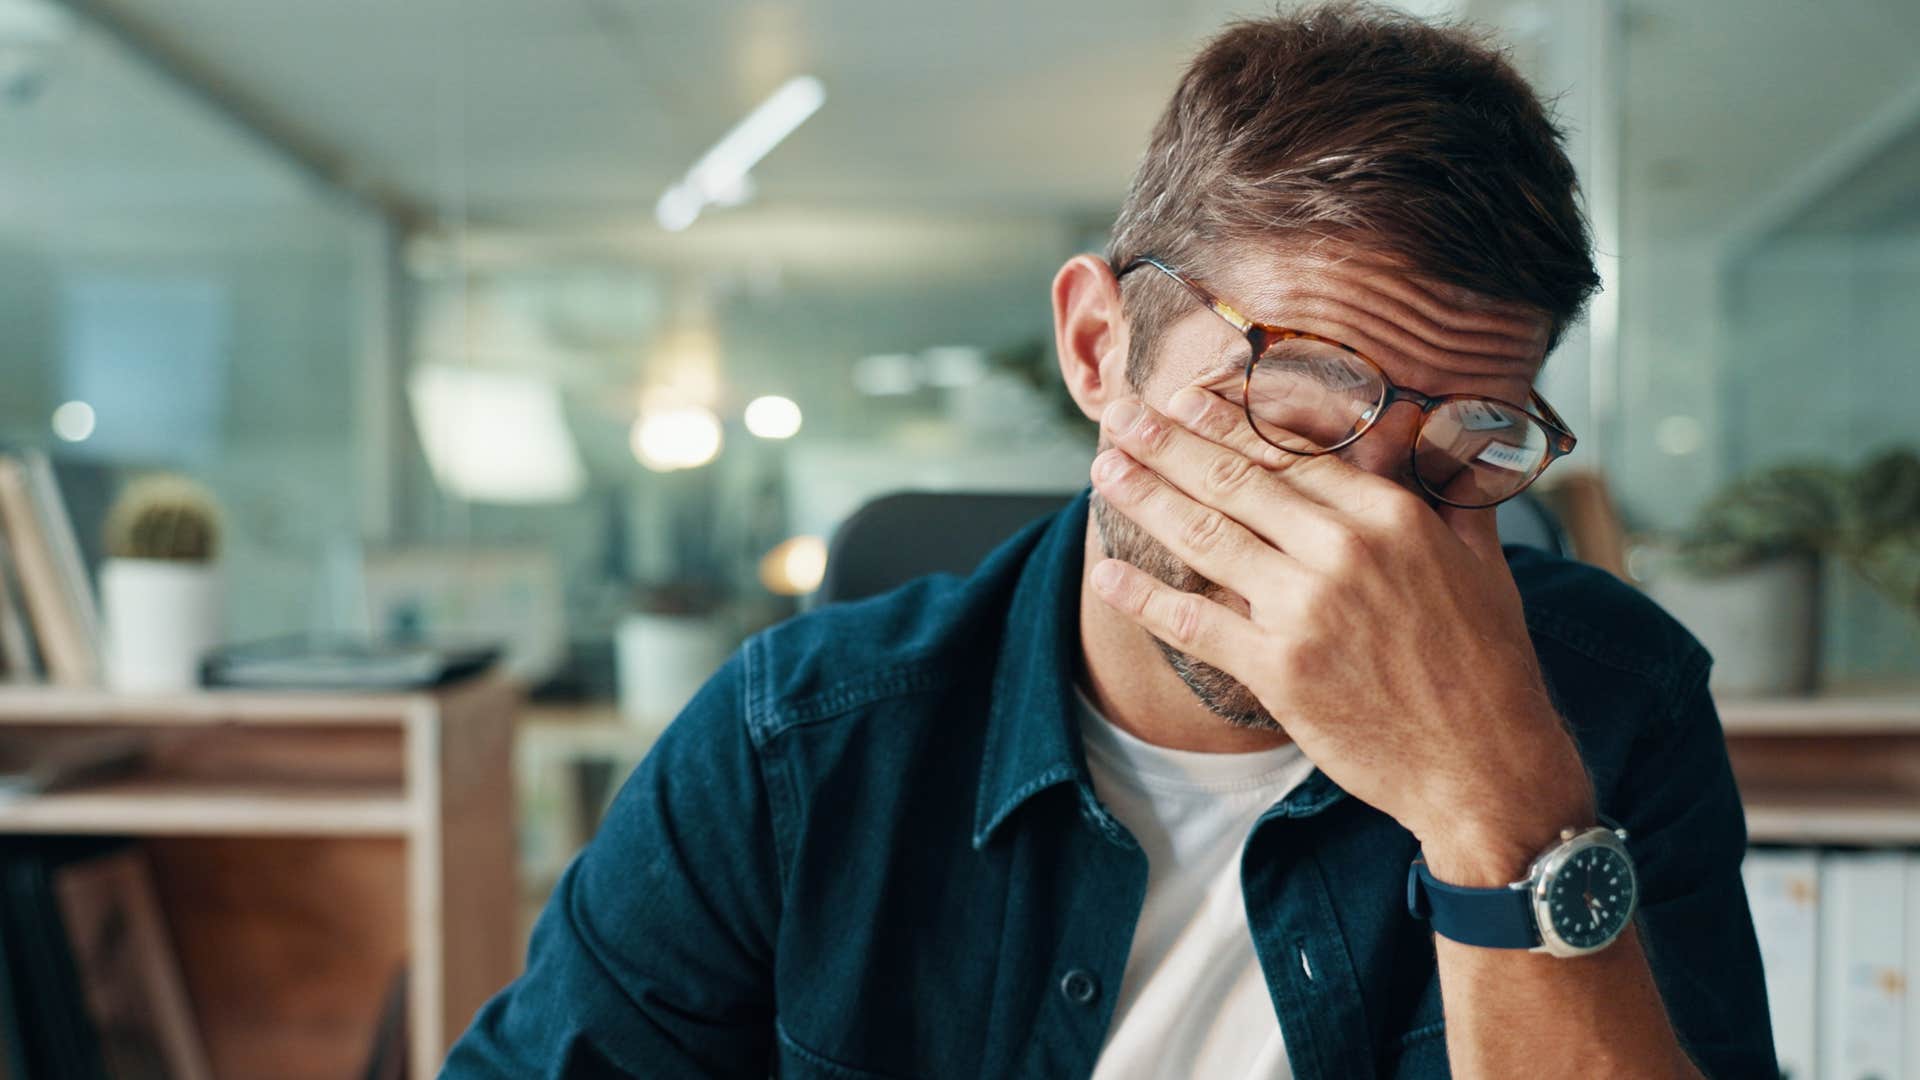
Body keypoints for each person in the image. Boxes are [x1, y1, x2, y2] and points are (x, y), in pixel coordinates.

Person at [445, 5, 1775, 1077]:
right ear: (1098, 347)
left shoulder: (1615, 705)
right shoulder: (790, 745)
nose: (1368, 534)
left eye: (1460, 450)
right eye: (1300, 409)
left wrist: (1499, 806)